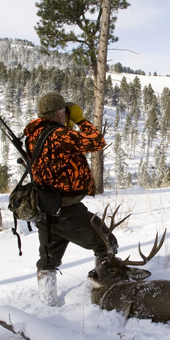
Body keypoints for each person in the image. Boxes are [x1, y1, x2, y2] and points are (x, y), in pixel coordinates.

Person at [24, 91, 118, 306]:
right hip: (66, 210)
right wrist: (81, 120)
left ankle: (47, 303)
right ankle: (102, 294)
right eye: (64, 113)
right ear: (59, 113)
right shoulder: (58, 136)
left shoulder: (34, 132)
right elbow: (97, 141)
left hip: (45, 208)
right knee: (107, 244)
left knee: (48, 260)